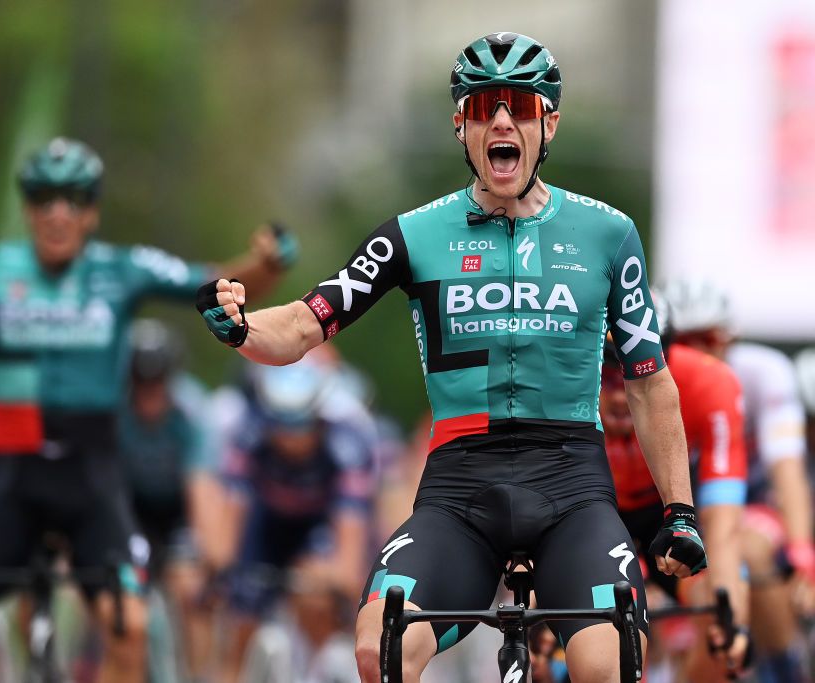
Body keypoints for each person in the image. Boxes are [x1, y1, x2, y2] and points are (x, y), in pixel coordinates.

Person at [196, 32, 707, 683]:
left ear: (548, 123)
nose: (501, 120)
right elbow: (304, 323)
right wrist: (241, 328)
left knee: (607, 662)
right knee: (378, 644)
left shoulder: (609, 233)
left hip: (572, 482)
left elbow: (649, 382)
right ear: (460, 123)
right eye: (484, 106)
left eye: (520, 107)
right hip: (461, 487)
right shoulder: (414, 234)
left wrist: (679, 512)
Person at [0, 136, 296, 683]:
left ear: (92, 211)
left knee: (130, 627)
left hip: (92, 479)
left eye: (73, 199)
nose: (57, 212)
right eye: (43, 198)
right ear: (28, 209)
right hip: (12, 478)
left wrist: (268, 263)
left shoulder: (122, 269)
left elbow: (226, 281)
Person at [662, 277, 815, 683]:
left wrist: (801, 551)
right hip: (684, 510)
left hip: (751, 501)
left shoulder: (764, 371)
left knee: (747, 548)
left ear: (730, 338)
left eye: (708, 338)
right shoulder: (647, 381)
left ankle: (786, 666)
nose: (698, 352)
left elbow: (788, 471)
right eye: (684, 341)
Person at [600, 298, 750, 680]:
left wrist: (732, 619)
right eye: (605, 373)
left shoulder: (708, 382)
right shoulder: (556, 380)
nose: (619, 394)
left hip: (666, 507)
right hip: (593, 506)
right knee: (604, 633)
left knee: (718, 619)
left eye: (633, 371)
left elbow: (723, 525)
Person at [207, 359, 376, 683]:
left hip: (319, 523)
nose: (288, 437)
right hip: (266, 522)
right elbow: (231, 514)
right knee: (240, 617)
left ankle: (320, 667)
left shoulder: (349, 439)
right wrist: (222, 572)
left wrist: (337, 584)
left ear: (318, 417)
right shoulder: (248, 430)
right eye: (279, 424)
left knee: (318, 597)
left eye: (298, 424)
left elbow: (350, 542)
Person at [118, 319, 222, 682]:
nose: (150, 393)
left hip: (179, 509)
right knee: (110, 590)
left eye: (158, 382)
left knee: (191, 590)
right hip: (130, 508)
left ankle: (196, 675)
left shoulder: (193, 413)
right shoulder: (113, 410)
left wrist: (208, 559)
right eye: (140, 383)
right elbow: (101, 484)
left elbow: (202, 488)